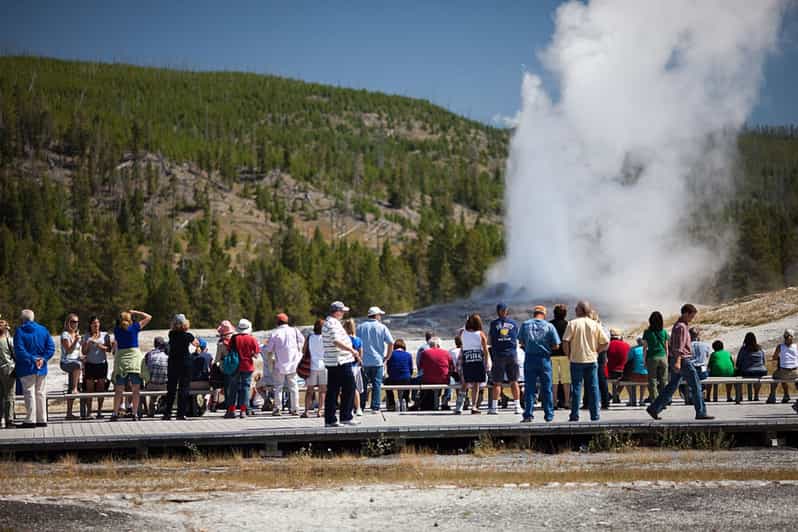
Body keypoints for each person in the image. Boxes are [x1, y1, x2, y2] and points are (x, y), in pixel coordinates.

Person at [647, 304, 713, 420]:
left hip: (679, 359)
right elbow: (679, 346)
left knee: (672, 386)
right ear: (685, 313)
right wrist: (678, 361)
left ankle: (654, 408)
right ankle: (701, 412)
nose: (692, 319)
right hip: (683, 360)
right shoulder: (681, 327)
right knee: (696, 384)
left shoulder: (679, 325)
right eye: (691, 316)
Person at [562, 301, 608, 422]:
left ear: (581, 310)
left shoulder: (572, 323)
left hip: (576, 359)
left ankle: (574, 415)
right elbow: (606, 342)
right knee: (593, 387)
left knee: (576, 387)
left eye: (576, 308)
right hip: (591, 359)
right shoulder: (595, 324)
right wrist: (596, 351)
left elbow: (565, 341)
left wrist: (569, 355)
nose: (575, 310)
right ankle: (595, 415)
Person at [14, 309, 56, 428]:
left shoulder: (20, 331)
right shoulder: (43, 329)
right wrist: (43, 359)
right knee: (40, 393)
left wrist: (33, 359)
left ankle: (30, 420)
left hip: (27, 366)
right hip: (41, 366)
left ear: (23, 319)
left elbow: (19, 350)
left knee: (29, 393)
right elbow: (51, 347)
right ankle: (42, 419)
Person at [518, 305, 560, 422]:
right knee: (546, 388)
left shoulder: (525, 324)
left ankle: (528, 414)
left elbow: (521, 341)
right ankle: (549, 415)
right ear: (544, 314)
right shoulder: (549, 326)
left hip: (530, 358)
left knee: (529, 388)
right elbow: (556, 344)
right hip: (544, 359)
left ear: (534, 313)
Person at [322, 301, 360, 427]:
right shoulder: (332, 323)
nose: (343, 313)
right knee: (349, 387)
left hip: (336, 360)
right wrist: (352, 350)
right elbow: (336, 341)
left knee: (333, 390)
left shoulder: (330, 322)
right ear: (337, 311)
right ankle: (344, 416)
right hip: (339, 361)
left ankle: (332, 419)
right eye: (342, 311)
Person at [109, 310, 152, 421]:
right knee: (136, 389)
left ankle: (115, 413)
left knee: (119, 390)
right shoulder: (135, 327)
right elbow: (148, 317)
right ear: (130, 319)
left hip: (122, 360)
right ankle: (134, 413)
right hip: (134, 359)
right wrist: (135, 312)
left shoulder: (117, 330)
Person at [356, 306, 394, 413]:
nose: (380, 317)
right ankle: (375, 407)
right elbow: (391, 342)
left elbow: (356, 343)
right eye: (380, 315)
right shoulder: (382, 327)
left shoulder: (360, 327)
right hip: (377, 361)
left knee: (362, 386)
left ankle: (361, 406)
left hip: (363, 361)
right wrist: (387, 356)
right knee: (376, 385)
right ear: (376, 315)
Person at [266, 313, 304, 416]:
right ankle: (295, 409)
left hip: (279, 364)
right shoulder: (295, 331)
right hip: (294, 363)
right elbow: (302, 341)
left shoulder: (275, 333)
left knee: (278, 387)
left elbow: (269, 349)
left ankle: (277, 409)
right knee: (294, 387)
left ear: (277, 322)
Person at [488, 303, 521, 415]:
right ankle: (517, 406)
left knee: (497, 382)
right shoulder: (513, 323)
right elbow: (516, 338)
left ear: (497, 311)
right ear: (506, 311)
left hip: (499, 355)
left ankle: (494, 407)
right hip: (511, 354)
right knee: (514, 381)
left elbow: (489, 341)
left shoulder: (493, 324)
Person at [455, 314, 491, 415]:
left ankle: (459, 406)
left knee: (465, 383)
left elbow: (459, 333)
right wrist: (487, 362)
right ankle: (474, 406)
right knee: (476, 384)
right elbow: (485, 350)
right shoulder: (480, 334)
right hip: (478, 359)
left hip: (467, 358)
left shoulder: (462, 332)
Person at [224, 318, 260, 418]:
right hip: (247, 366)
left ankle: (231, 410)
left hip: (235, 366)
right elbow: (256, 354)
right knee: (245, 388)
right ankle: (243, 411)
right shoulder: (251, 338)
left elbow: (228, 350)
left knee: (233, 388)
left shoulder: (234, 338)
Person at [81, 316, 113, 419]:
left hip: (101, 364)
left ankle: (99, 411)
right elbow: (84, 352)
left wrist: (100, 346)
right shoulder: (86, 336)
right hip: (90, 364)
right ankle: (89, 412)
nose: (96, 325)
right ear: (90, 325)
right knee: (89, 389)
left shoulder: (104, 335)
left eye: (98, 323)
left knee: (101, 388)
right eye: (94, 323)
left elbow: (109, 349)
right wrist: (88, 344)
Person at [418, 337, 454, 410]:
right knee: (452, 380)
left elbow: (421, 366)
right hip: (443, 380)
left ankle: (416, 401)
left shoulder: (424, 353)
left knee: (417, 379)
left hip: (427, 380)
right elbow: (451, 366)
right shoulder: (446, 353)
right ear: (439, 344)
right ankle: (445, 399)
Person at [301, 319, 327, 418]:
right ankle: (320, 410)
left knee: (309, 390)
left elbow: (304, 350)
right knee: (323, 390)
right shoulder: (325, 338)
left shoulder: (309, 337)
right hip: (324, 365)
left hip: (312, 365)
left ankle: (306, 410)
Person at [60, 313, 83, 420]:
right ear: (68, 322)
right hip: (66, 362)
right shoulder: (65, 335)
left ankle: (69, 413)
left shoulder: (77, 334)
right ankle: (75, 389)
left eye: (77, 322)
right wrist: (76, 340)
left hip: (75, 362)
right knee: (77, 365)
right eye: (73, 321)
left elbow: (78, 351)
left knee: (70, 387)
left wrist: (83, 356)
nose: (75, 324)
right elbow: (69, 350)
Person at [642, 311, 669, 404]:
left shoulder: (647, 332)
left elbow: (645, 348)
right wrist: (667, 358)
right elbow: (666, 347)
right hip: (663, 357)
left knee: (652, 380)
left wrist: (644, 360)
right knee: (663, 380)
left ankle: (655, 401)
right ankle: (664, 401)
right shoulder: (664, 332)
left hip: (652, 357)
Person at [767, 329, 798, 404]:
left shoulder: (780, 347)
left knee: (775, 376)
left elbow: (774, 357)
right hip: (795, 372)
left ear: (784, 337)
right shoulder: (796, 346)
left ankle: (773, 396)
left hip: (783, 372)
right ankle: (786, 395)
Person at [735, 331, 767, 402]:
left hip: (748, 371)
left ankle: (739, 395)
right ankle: (756, 395)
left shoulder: (744, 349)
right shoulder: (759, 348)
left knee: (737, 374)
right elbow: (764, 360)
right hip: (762, 371)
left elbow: (738, 362)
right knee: (757, 378)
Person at [549, 304, 570, 409]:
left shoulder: (550, 325)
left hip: (552, 355)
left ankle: (554, 402)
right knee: (566, 380)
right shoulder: (568, 324)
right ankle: (566, 401)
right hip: (565, 355)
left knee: (554, 380)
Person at [211, 320, 235, 411]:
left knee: (226, 386)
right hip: (235, 365)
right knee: (233, 386)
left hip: (225, 367)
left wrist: (214, 364)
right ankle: (232, 404)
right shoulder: (234, 340)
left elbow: (217, 358)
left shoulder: (221, 344)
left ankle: (228, 405)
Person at [343, 318, 365, 416]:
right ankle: (358, 408)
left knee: (346, 389)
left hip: (347, 365)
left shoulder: (344, 339)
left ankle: (350, 408)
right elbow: (361, 354)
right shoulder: (358, 339)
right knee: (355, 388)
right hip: (356, 366)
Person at [384, 339, 413, 411]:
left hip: (393, 380)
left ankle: (392, 403)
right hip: (405, 380)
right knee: (408, 381)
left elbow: (389, 368)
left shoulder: (391, 354)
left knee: (386, 382)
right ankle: (405, 401)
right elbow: (411, 369)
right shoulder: (408, 355)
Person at [144, 337, 169, 417]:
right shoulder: (167, 356)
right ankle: (165, 408)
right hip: (164, 386)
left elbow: (147, 369)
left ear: (154, 344)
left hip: (152, 385)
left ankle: (151, 411)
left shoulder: (149, 354)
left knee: (152, 395)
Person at [685, 327, 711, 404]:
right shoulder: (705, 345)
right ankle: (702, 391)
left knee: (688, 378)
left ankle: (690, 396)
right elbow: (707, 355)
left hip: (692, 368)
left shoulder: (687, 345)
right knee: (703, 375)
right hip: (702, 370)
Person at [621, 337, 648, 406]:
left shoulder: (633, 350)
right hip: (646, 376)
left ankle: (631, 399)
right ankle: (641, 399)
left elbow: (626, 360)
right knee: (644, 380)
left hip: (635, 375)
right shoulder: (648, 350)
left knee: (627, 379)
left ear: (637, 342)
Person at [0, 317, 16, 428]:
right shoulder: (7, 340)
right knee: (9, 395)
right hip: (8, 369)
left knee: (0, 396)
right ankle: (9, 420)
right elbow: (14, 354)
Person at [606, 329, 630, 404]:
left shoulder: (607, 345)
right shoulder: (626, 345)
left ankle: (610, 394)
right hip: (623, 373)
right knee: (625, 377)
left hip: (610, 372)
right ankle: (616, 394)